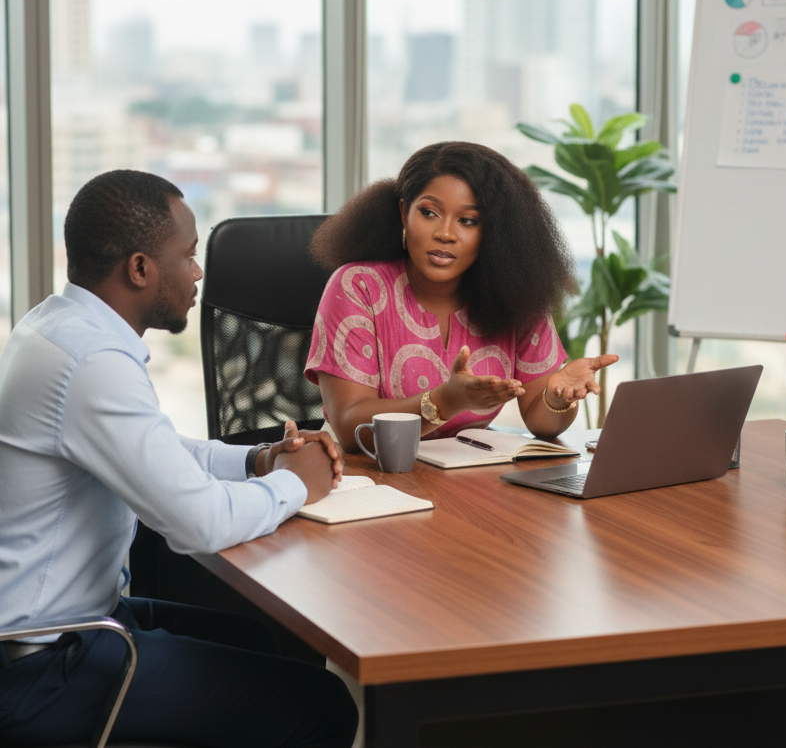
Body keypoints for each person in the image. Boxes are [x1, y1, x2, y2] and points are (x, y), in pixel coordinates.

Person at [0, 171, 358, 747]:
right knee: (323, 706)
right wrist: (297, 484)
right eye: (189, 256)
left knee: (261, 643)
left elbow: (159, 449)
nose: (197, 273)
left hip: (68, 626)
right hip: (40, 668)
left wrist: (258, 461)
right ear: (140, 269)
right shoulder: (91, 363)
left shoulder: (57, 326)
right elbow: (199, 524)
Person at [305, 141, 618, 450]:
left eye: (467, 220)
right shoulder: (359, 286)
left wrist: (557, 397)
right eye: (429, 213)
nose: (445, 233)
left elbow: (541, 421)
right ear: (404, 213)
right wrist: (444, 400)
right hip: (364, 474)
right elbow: (349, 426)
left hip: (466, 475)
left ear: (494, 231)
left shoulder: (515, 293)